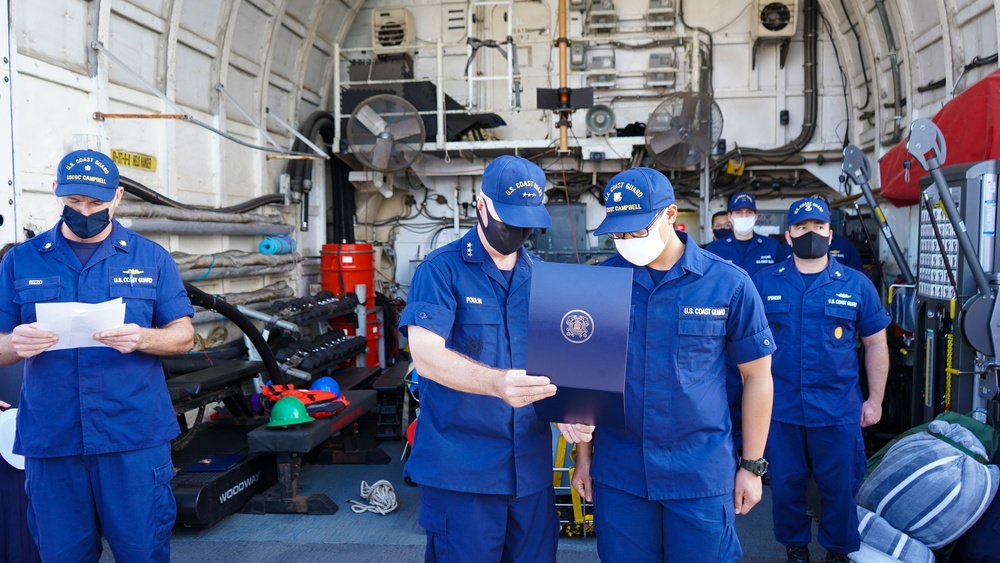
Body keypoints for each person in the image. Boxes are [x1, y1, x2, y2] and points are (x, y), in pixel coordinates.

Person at [0, 149, 195, 562]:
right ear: (56, 191)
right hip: (54, 439)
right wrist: (15, 343)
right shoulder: (20, 260)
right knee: (62, 555)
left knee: (143, 552)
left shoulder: (150, 258)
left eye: (96, 203)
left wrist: (142, 338)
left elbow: (183, 336)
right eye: (73, 202)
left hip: (133, 437)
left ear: (118, 197)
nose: (84, 211)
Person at [572, 167, 774, 562]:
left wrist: (752, 465)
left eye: (637, 230)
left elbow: (758, 377)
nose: (627, 241)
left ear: (669, 215)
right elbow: (585, 383)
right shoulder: (599, 283)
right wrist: (583, 460)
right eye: (618, 233)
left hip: (699, 474)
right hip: (621, 474)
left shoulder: (728, 284)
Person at [399, 154, 593, 562]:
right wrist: (495, 383)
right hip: (463, 473)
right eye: (508, 219)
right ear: (482, 206)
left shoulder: (543, 277)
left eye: (525, 222)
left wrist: (566, 410)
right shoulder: (440, 270)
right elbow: (427, 357)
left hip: (530, 473)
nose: (516, 231)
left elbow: (555, 365)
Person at [752, 198, 890, 563]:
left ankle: (838, 551)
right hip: (780, 409)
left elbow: (877, 344)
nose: (809, 233)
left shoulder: (856, 285)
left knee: (840, 489)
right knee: (785, 487)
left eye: (817, 227)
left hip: (838, 410)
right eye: (801, 228)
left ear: (831, 233)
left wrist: (874, 400)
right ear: (787, 235)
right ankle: (795, 549)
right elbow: (743, 348)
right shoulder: (763, 284)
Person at [775, 195, 864, 272]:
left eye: (819, 227)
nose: (811, 233)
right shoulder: (765, 281)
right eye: (802, 228)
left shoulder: (846, 246)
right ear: (788, 237)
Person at [704, 192, 779, 275]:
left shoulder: (772, 246)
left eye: (749, 212)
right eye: (738, 212)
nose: (744, 217)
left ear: (756, 216)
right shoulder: (715, 249)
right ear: (730, 216)